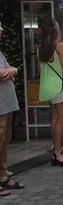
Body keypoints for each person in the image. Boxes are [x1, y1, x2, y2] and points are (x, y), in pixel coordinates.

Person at [38, 18, 63, 168]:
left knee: (55, 118)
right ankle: (58, 152)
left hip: (47, 88)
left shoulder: (42, 47)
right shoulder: (59, 46)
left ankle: (55, 150)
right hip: (59, 87)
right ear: (56, 30)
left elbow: (40, 70)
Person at [0, 21, 23, 195]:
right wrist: (9, 71)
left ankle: (2, 175)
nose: (1, 29)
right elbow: (4, 72)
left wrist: (12, 71)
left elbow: (10, 69)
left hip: (6, 104)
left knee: (4, 141)